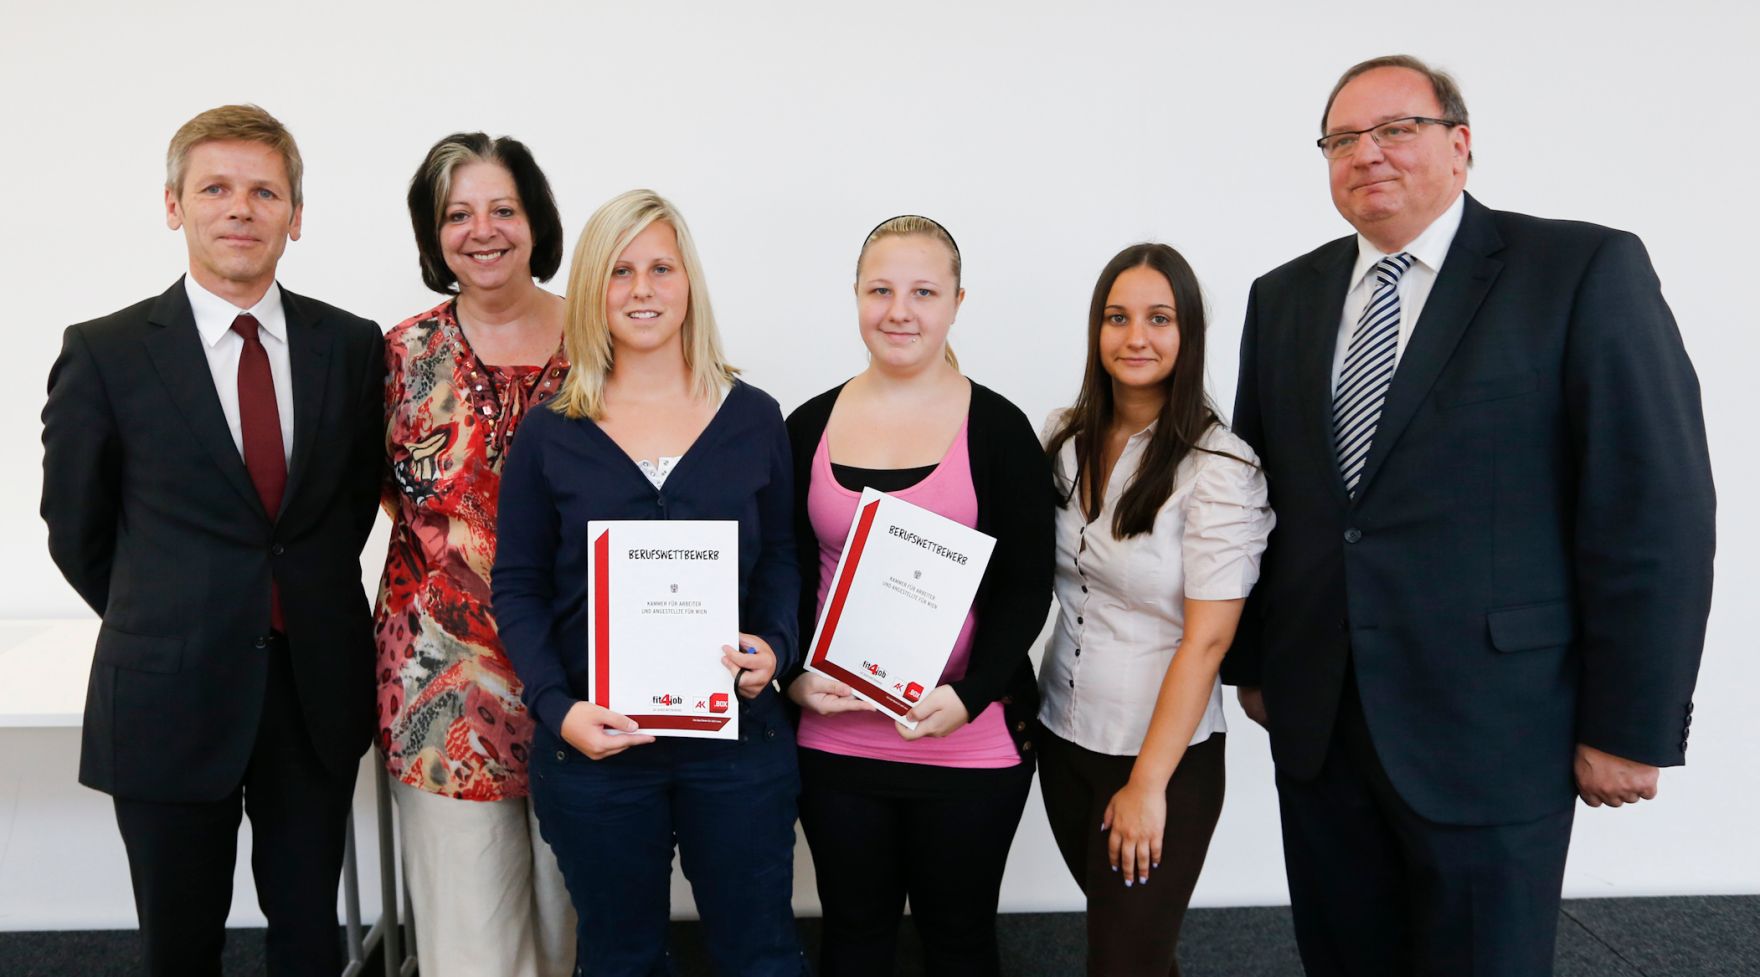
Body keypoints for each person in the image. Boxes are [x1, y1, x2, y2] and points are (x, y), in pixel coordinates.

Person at [1224, 55, 1716, 976]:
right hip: (1322, 723)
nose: (1366, 153)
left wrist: (1632, 721)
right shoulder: (1280, 297)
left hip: (1499, 728)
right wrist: (1255, 663)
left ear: (1460, 145)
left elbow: (1655, 506)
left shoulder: (1579, 270)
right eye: (1341, 139)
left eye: (1395, 129)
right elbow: (1261, 501)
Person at [39, 104, 384, 977]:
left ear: (294, 217)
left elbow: (346, 508)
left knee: (309, 929)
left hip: (311, 692)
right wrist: (173, 611)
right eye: (216, 187)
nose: (241, 207)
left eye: (265, 190)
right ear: (174, 205)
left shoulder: (349, 345)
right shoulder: (108, 351)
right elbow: (75, 526)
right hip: (166, 691)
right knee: (179, 938)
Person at [491, 188, 806, 977]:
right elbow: (519, 585)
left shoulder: (755, 417)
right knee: (620, 958)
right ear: (594, 289)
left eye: (661, 267)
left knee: (759, 954)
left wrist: (775, 646)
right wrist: (557, 710)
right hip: (597, 750)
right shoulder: (548, 432)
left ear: (688, 282)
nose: (642, 290)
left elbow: (780, 559)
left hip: (736, 745)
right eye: (620, 271)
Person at [783, 215, 1055, 977]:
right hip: (834, 738)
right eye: (881, 289)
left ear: (957, 302)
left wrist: (971, 693)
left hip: (965, 736)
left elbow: (1029, 584)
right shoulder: (808, 425)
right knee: (854, 939)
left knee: (960, 940)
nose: (900, 310)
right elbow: (782, 572)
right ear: (856, 297)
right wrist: (793, 677)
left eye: (924, 291)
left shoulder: (999, 430)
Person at [1037, 243, 1272, 976]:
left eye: (1159, 318)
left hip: (1159, 758)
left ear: (1189, 332)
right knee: (1133, 950)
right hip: (1061, 736)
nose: (1135, 336)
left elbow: (1208, 641)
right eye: (1117, 317)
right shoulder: (1066, 441)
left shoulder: (1221, 467)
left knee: (1123, 963)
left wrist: (1146, 784)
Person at [375, 132, 574, 977]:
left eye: (503, 209)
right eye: (457, 213)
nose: (482, 230)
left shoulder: (610, 335)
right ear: (433, 233)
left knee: (582, 909)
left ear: (536, 222)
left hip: (590, 670)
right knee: (470, 932)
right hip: (443, 684)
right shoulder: (397, 353)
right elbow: (369, 492)